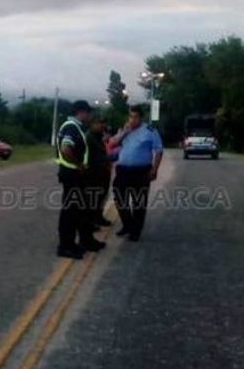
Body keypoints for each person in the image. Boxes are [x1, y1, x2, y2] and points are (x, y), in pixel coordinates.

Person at [55, 100, 106, 259]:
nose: (89, 115)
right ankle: (65, 246)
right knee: (70, 213)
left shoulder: (75, 127)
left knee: (78, 211)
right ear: (81, 112)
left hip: (73, 175)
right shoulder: (71, 127)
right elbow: (65, 149)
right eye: (88, 112)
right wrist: (79, 165)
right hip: (71, 174)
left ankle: (80, 241)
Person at [108, 105, 164, 241]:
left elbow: (159, 150)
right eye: (130, 116)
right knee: (119, 198)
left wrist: (155, 169)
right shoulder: (125, 129)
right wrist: (124, 132)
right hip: (123, 170)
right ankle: (128, 224)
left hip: (141, 171)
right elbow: (112, 143)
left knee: (139, 202)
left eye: (135, 117)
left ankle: (135, 231)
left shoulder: (150, 130)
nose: (132, 120)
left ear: (141, 118)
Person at [86, 114, 112, 227]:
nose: (102, 125)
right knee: (93, 199)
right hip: (94, 173)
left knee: (101, 197)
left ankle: (98, 217)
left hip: (102, 173)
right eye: (99, 123)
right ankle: (91, 222)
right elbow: (96, 156)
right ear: (92, 124)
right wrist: (111, 157)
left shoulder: (98, 136)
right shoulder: (89, 137)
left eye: (103, 123)